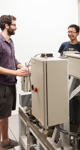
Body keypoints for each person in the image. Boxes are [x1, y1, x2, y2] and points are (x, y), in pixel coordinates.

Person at [0, 15, 29, 150]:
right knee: (0, 117)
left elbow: (12, 59)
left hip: (10, 84)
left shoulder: (10, 42)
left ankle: (5, 141)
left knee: (5, 115)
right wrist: (16, 73)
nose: (16, 27)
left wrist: (21, 66)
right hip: (2, 85)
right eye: (14, 24)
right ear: (7, 26)